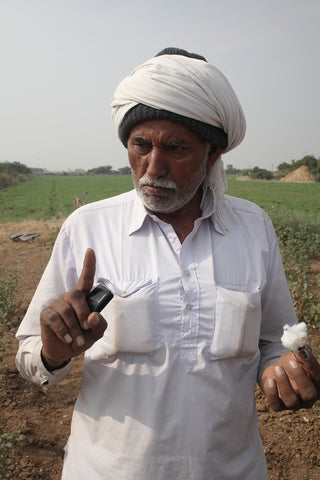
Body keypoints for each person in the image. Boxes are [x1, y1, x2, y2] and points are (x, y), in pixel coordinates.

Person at [16, 48, 320, 480]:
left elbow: (275, 340)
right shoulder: (89, 228)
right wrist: (54, 350)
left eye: (175, 148)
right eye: (140, 145)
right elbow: (31, 358)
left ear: (213, 153)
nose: (152, 168)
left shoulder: (253, 230)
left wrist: (283, 370)